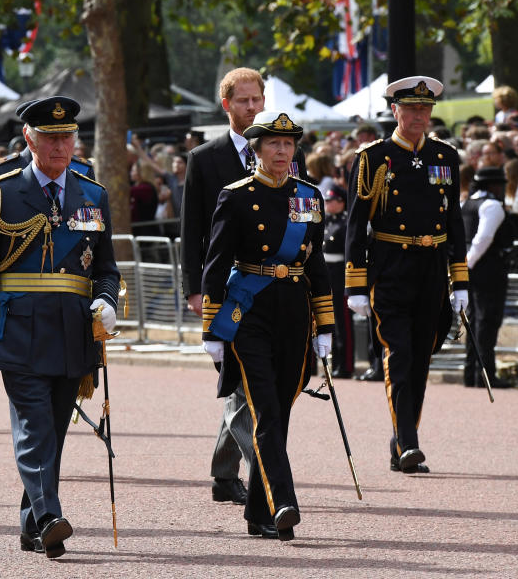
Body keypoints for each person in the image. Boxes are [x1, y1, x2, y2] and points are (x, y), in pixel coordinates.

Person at [0, 96, 120, 558]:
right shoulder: (2, 191)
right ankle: (51, 515)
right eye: (50, 138)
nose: (60, 146)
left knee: (53, 428)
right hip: (19, 326)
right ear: (29, 139)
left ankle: (32, 526)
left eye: (67, 137)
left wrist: (107, 298)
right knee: (33, 426)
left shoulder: (92, 193)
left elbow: (106, 266)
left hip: (73, 329)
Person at [200, 110, 332, 541]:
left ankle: (259, 513)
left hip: (294, 312)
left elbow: (316, 264)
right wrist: (211, 330)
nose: (281, 151)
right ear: (256, 150)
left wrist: (325, 325)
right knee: (265, 409)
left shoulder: (309, 197)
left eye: (288, 144)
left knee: (281, 408)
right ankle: (284, 501)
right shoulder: (236, 196)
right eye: (273, 144)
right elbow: (216, 264)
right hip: (249, 314)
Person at [181, 68, 306, 507]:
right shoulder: (205, 157)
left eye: (257, 100)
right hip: (232, 290)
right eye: (244, 101)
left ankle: (223, 471)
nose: (252, 107)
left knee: (243, 386)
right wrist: (195, 290)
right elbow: (193, 230)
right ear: (227, 105)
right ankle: (268, 479)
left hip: (277, 295)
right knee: (247, 387)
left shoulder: (283, 147)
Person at [345, 76, 468, 474]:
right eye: (411, 108)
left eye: (425, 109)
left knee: (420, 358)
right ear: (394, 110)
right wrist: (356, 284)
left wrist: (460, 279)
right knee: (398, 355)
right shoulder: (374, 158)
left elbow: (454, 221)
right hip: (391, 266)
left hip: (431, 268)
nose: (418, 116)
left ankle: (401, 441)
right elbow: (355, 224)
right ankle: (410, 442)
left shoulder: (446, 156)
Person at [461, 167, 516, 388]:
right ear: (493, 186)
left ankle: (472, 374)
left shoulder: (465, 204)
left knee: (474, 321)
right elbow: (483, 238)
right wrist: (469, 263)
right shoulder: (492, 206)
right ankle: (485, 375)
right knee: (487, 322)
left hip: (471, 268)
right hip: (488, 270)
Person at [321, 179, 354, 378]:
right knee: (329, 323)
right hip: (327, 277)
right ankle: (334, 364)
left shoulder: (345, 223)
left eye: (331, 201)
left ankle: (346, 366)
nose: (328, 204)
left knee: (344, 325)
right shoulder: (326, 222)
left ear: (341, 202)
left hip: (340, 277)